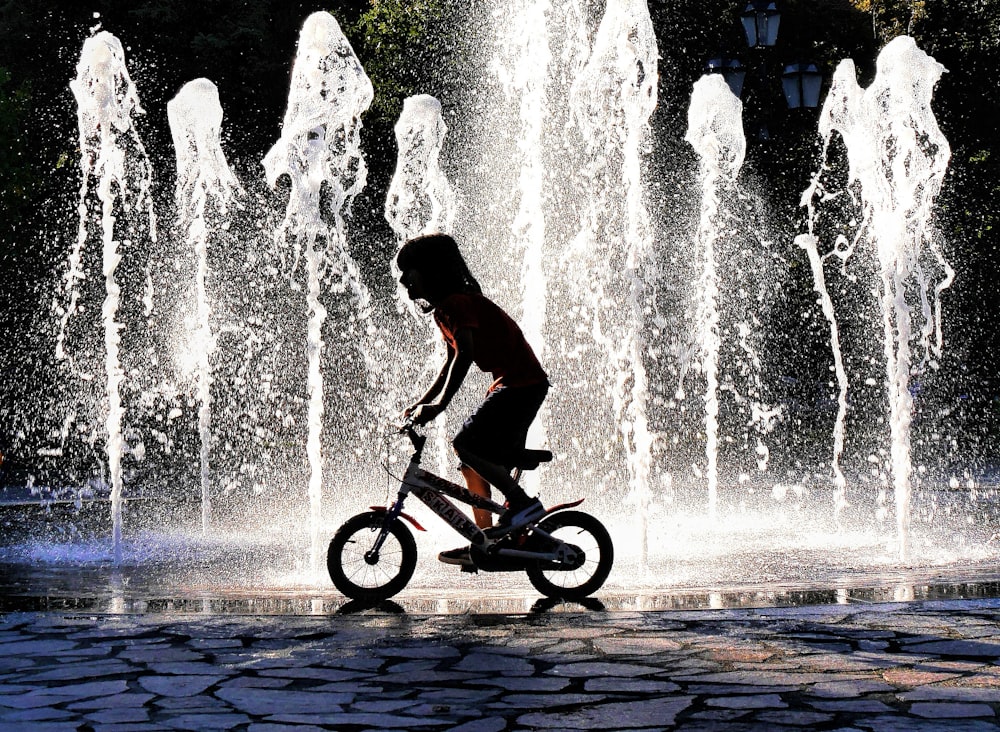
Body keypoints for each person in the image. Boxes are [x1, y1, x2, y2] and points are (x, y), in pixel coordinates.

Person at [397, 233, 549, 567]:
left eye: (409, 272)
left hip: (522, 384)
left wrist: (439, 406)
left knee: (465, 443)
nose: (403, 280)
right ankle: (483, 541)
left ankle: (521, 503)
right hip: (511, 385)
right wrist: (422, 401)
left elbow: (464, 355)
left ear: (430, 272)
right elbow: (449, 362)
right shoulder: (444, 312)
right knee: (470, 463)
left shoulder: (457, 303)